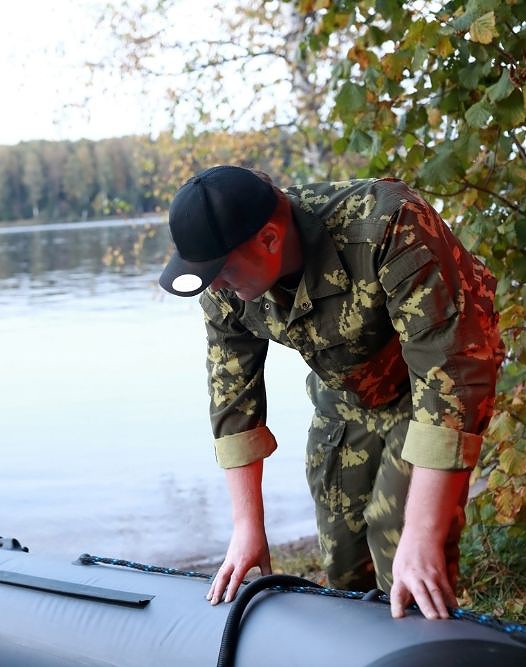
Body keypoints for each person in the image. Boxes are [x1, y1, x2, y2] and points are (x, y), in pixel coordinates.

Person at [158, 165, 503, 620]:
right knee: (344, 559)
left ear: (269, 239)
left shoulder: (387, 224)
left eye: (220, 270)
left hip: (431, 386)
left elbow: (451, 380)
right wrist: (247, 526)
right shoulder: (224, 285)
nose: (216, 284)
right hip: (346, 390)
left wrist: (422, 534)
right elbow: (232, 400)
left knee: (401, 543)